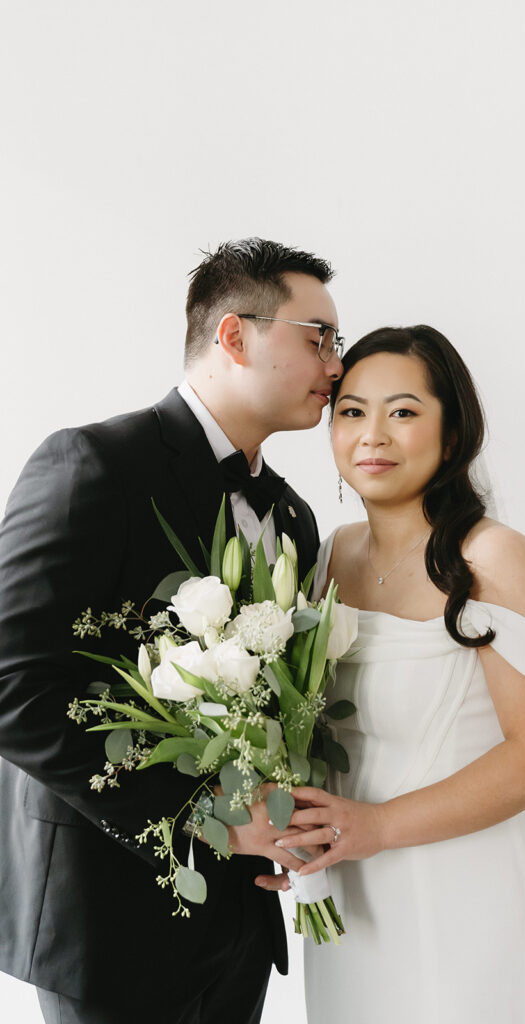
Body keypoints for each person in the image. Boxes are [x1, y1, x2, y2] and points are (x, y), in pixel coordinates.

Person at [0, 238, 343, 1024]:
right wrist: (203, 816)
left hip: (240, 919)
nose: (335, 364)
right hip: (108, 913)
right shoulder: (91, 464)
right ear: (232, 335)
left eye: (337, 343)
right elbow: (13, 688)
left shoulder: (294, 517)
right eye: (316, 337)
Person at [266, 325, 525, 1023]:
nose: (372, 436)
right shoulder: (331, 555)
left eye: (402, 412)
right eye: (352, 412)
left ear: (452, 436)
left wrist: (380, 826)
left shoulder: (496, 558)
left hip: (469, 897)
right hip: (350, 902)